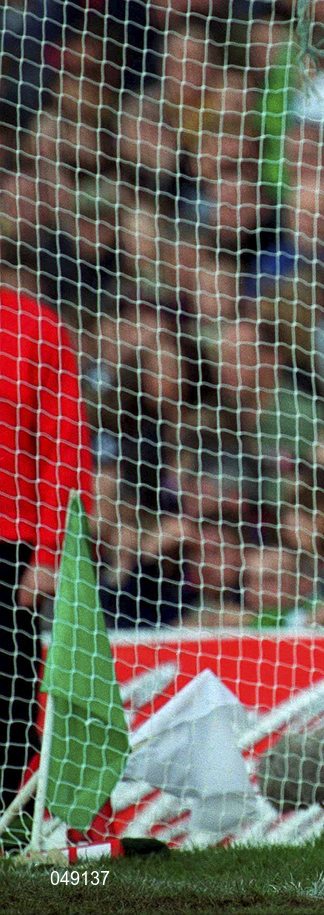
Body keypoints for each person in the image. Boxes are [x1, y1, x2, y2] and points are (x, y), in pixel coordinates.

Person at [0, 284, 92, 840]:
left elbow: (63, 446)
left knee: (9, 691)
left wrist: (51, 550)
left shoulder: (35, 325)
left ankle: (5, 815)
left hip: (9, 548)